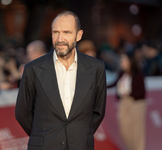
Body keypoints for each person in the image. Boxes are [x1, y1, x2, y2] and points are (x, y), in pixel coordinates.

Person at [15, 10, 106, 150]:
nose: (59, 39)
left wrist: (77, 134)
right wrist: (43, 135)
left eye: (66, 32)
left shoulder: (96, 68)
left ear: (79, 35)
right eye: (55, 32)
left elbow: (98, 111)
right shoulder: (33, 69)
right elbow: (22, 113)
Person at [108, 51, 146, 150]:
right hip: (124, 102)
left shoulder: (138, 74)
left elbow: (141, 92)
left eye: (124, 60)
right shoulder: (122, 74)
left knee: (137, 130)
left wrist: (129, 93)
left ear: (130, 61)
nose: (122, 62)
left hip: (136, 103)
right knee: (124, 130)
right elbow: (113, 84)